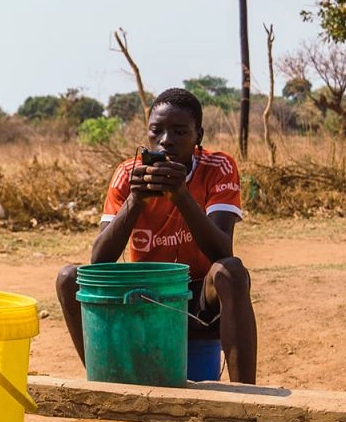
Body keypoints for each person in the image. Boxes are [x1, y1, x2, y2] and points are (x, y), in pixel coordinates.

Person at [54, 88, 258, 383]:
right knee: (69, 277)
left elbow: (221, 250)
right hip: (144, 297)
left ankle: (245, 398)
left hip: (199, 300)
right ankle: (103, 380)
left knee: (232, 272)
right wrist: (135, 201)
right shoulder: (128, 175)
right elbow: (99, 261)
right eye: (157, 131)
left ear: (197, 135)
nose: (166, 141)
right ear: (147, 135)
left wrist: (182, 197)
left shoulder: (218, 167)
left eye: (179, 131)